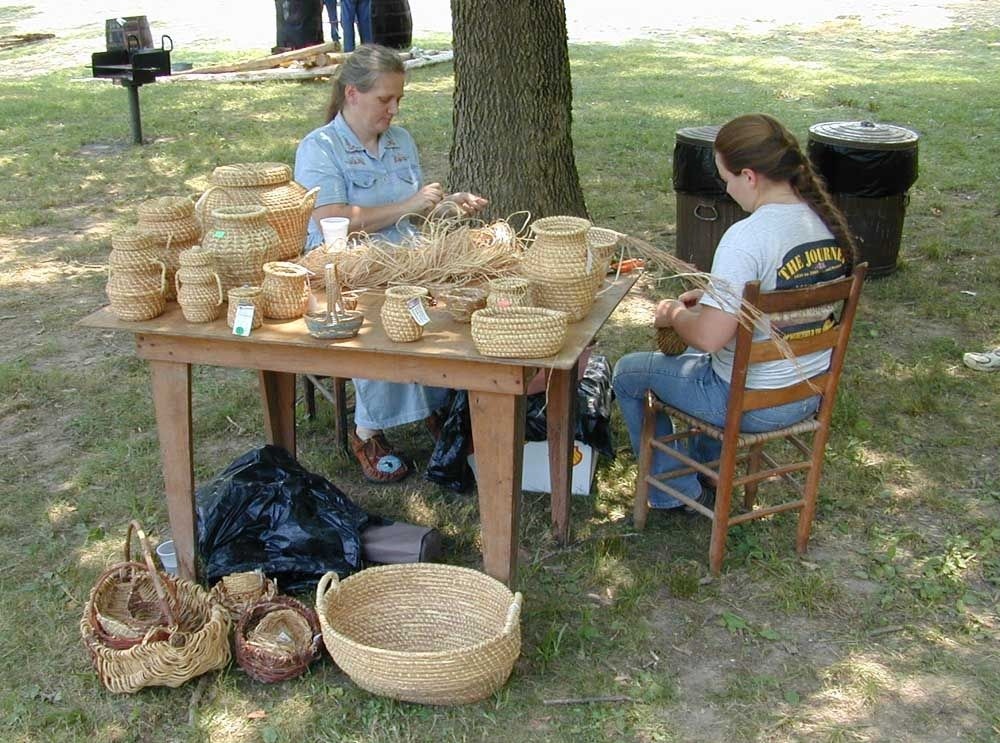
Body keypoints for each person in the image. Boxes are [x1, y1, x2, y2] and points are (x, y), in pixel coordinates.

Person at [613, 113, 858, 510]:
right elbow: (769, 304)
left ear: (749, 176)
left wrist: (673, 315)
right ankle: (708, 469)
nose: (728, 190)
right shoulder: (823, 221)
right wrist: (711, 301)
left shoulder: (746, 237)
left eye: (727, 179)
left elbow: (711, 337)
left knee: (628, 373)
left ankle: (669, 493)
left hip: (749, 404)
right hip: (807, 392)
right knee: (705, 360)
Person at [294, 44, 487, 483]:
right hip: (347, 266)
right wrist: (409, 205)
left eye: (399, 98)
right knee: (382, 317)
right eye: (385, 99)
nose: (394, 109)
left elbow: (413, 215)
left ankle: (436, 405)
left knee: (456, 305)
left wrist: (447, 206)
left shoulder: (399, 142)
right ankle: (367, 430)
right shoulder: (321, 148)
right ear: (352, 94)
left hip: (408, 259)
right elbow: (330, 221)